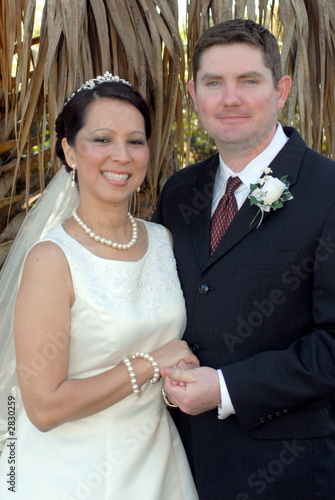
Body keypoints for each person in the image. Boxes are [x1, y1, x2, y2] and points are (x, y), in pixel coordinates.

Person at [153, 18, 335, 500]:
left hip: (289, 473)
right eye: (214, 83)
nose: (229, 98)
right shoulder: (178, 193)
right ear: (194, 94)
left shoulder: (329, 191)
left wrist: (228, 388)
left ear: (281, 90)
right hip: (175, 463)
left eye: (248, 81)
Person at [0, 73, 199, 500]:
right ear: (70, 151)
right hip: (73, 473)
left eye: (135, 140)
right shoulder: (52, 260)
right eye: (102, 139)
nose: (122, 156)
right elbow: (43, 407)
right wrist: (152, 364)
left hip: (158, 462)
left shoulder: (162, 240)